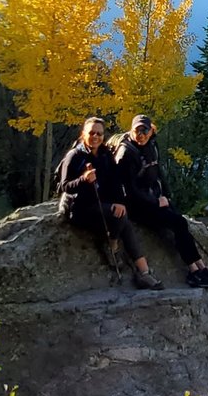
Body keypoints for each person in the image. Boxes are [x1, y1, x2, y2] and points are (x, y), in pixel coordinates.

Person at [56, 116, 176, 290]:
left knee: (122, 215)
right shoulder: (75, 156)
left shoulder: (105, 154)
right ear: (84, 134)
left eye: (99, 133)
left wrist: (120, 201)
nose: (95, 136)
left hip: (100, 204)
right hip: (78, 208)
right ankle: (112, 246)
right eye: (91, 133)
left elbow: (115, 182)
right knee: (120, 216)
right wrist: (83, 179)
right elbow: (64, 186)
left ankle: (144, 272)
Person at [107, 114, 208, 289]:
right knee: (177, 223)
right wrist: (156, 201)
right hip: (137, 206)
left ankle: (201, 268)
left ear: (151, 131)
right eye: (137, 131)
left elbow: (158, 172)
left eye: (145, 131)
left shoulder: (151, 145)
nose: (141, 135)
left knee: (180, 222)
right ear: (132, 130)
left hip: (152, 199)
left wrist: (167, 196)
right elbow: (130, 191)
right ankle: (194, 272)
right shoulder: (126, 154)